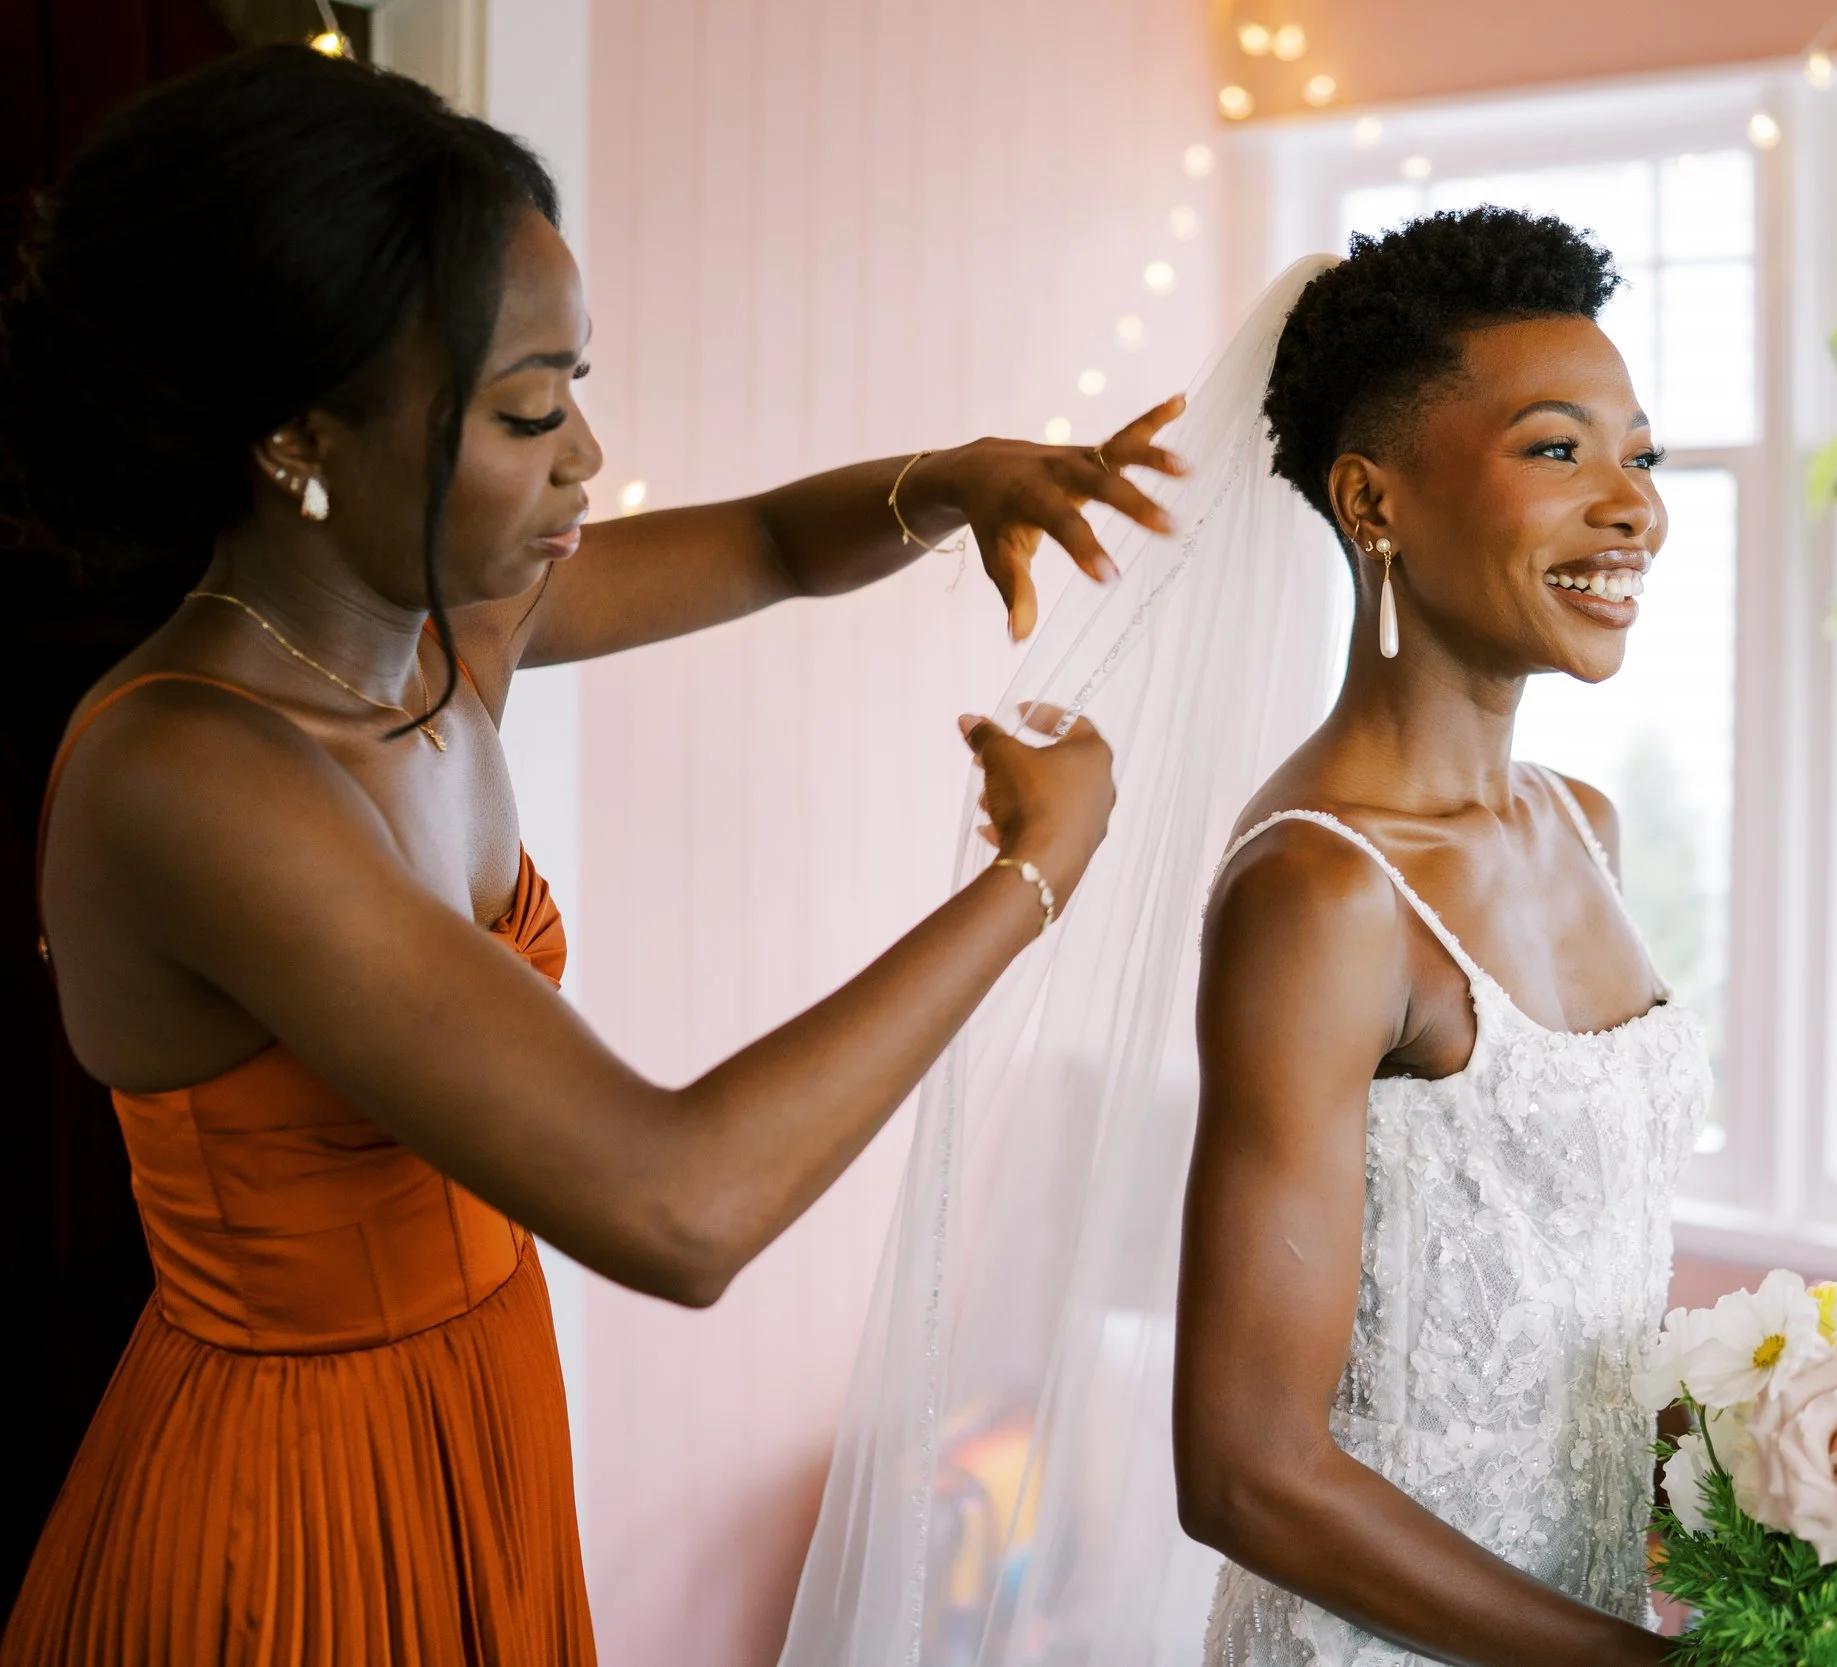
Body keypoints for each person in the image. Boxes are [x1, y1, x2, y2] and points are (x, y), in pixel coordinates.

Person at [0, 46, 1170, 1664]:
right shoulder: (191, 778)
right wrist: (1030, 876)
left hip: (477, 1408)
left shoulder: (431, 634)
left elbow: (764, 544)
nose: (584, 455)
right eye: (530, 408)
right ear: (299, 435)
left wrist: (953, 481)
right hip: (297, 1507)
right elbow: (678, 1203)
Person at [777, 212, 1707, 1667]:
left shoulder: (1587, 825)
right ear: (1371, 499)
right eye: (1556, 450)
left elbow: (1571, 1318)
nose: (1633, 505)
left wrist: (1825, 1486)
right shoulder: (1324, 893)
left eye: (1640, 456)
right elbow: (1246, 1470)